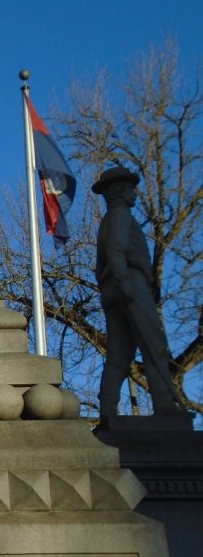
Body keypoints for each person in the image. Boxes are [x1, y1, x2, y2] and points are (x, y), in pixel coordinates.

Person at [94, 165, 185, 418]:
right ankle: (164, 405)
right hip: (128, 281)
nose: (135, 194)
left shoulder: (106, 221)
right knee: (153, 346)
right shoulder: (120, 215)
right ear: (121, 191)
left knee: (119, 356)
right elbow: (117, 249)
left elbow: (101, 263)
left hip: (112, 285)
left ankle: (108, 408)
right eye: (131, 189)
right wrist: (124, 281)